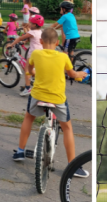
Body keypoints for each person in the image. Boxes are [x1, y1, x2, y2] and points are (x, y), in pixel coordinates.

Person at [12, 28, 87, 179]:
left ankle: (20, 151)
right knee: (67, 128)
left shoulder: (36, 54)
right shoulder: (63, 56)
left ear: (40, 41)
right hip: (57, 98)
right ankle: (73, 166)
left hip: (37, 95)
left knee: (28, 118)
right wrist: (80, 75)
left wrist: (31, 73)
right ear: (58, 42)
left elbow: (29, 69)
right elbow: (72, 74)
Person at [7, 14, 45, 96]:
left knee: (27, 71)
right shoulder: (40, 32)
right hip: (40, 53)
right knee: (32, 70)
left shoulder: (32, 32)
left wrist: (12, 44)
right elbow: (31, 38)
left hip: (33, 54)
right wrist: (25, 42)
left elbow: (20, 38)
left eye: (31, 23)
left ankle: (27, 88)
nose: (29, 24)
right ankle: (39, 80)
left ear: (35, 24)